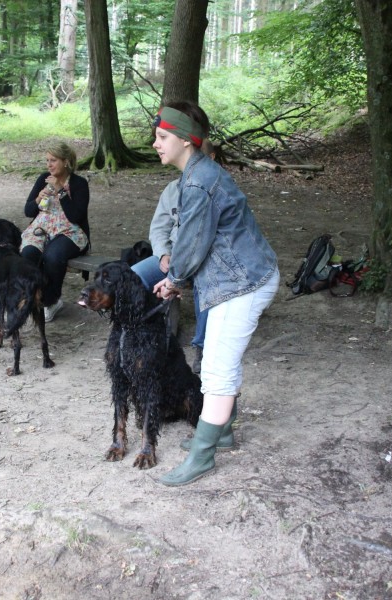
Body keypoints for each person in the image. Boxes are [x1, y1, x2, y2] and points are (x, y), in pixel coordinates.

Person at [151, 102, 279, 487]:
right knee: (218, 361)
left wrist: (173, 280)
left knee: (217, 371)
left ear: (185, 140)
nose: (155, 143)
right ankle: (221, 433)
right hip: (240, 278)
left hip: (242, 284)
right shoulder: (199, 173)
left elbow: (191, 245)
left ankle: (202, 456)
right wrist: (175, 278)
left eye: (162, 136)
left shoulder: (198, 183)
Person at [131, 140, 216, 374]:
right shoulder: (172, 190)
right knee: (134, 277)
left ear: (211, 159)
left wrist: (181, 272)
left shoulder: (218, 190)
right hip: (173, 258)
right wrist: (162, 254)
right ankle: (142, 335)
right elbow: (158, 228)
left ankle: (202, 347)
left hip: (205, 262)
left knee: (206, 289)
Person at [21, 142, 90, 322]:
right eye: (47, 160)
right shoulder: (43, 179)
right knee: (28, 253)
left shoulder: (79, 183)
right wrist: (38, 199)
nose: (49, 165)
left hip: (70, 230)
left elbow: (76, 216)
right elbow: (28, 211)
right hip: (42, 227)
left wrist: (60, 190)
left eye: (53, 160)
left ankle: (51, 301)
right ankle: (32, 297)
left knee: (53, 255)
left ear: (66, 162)